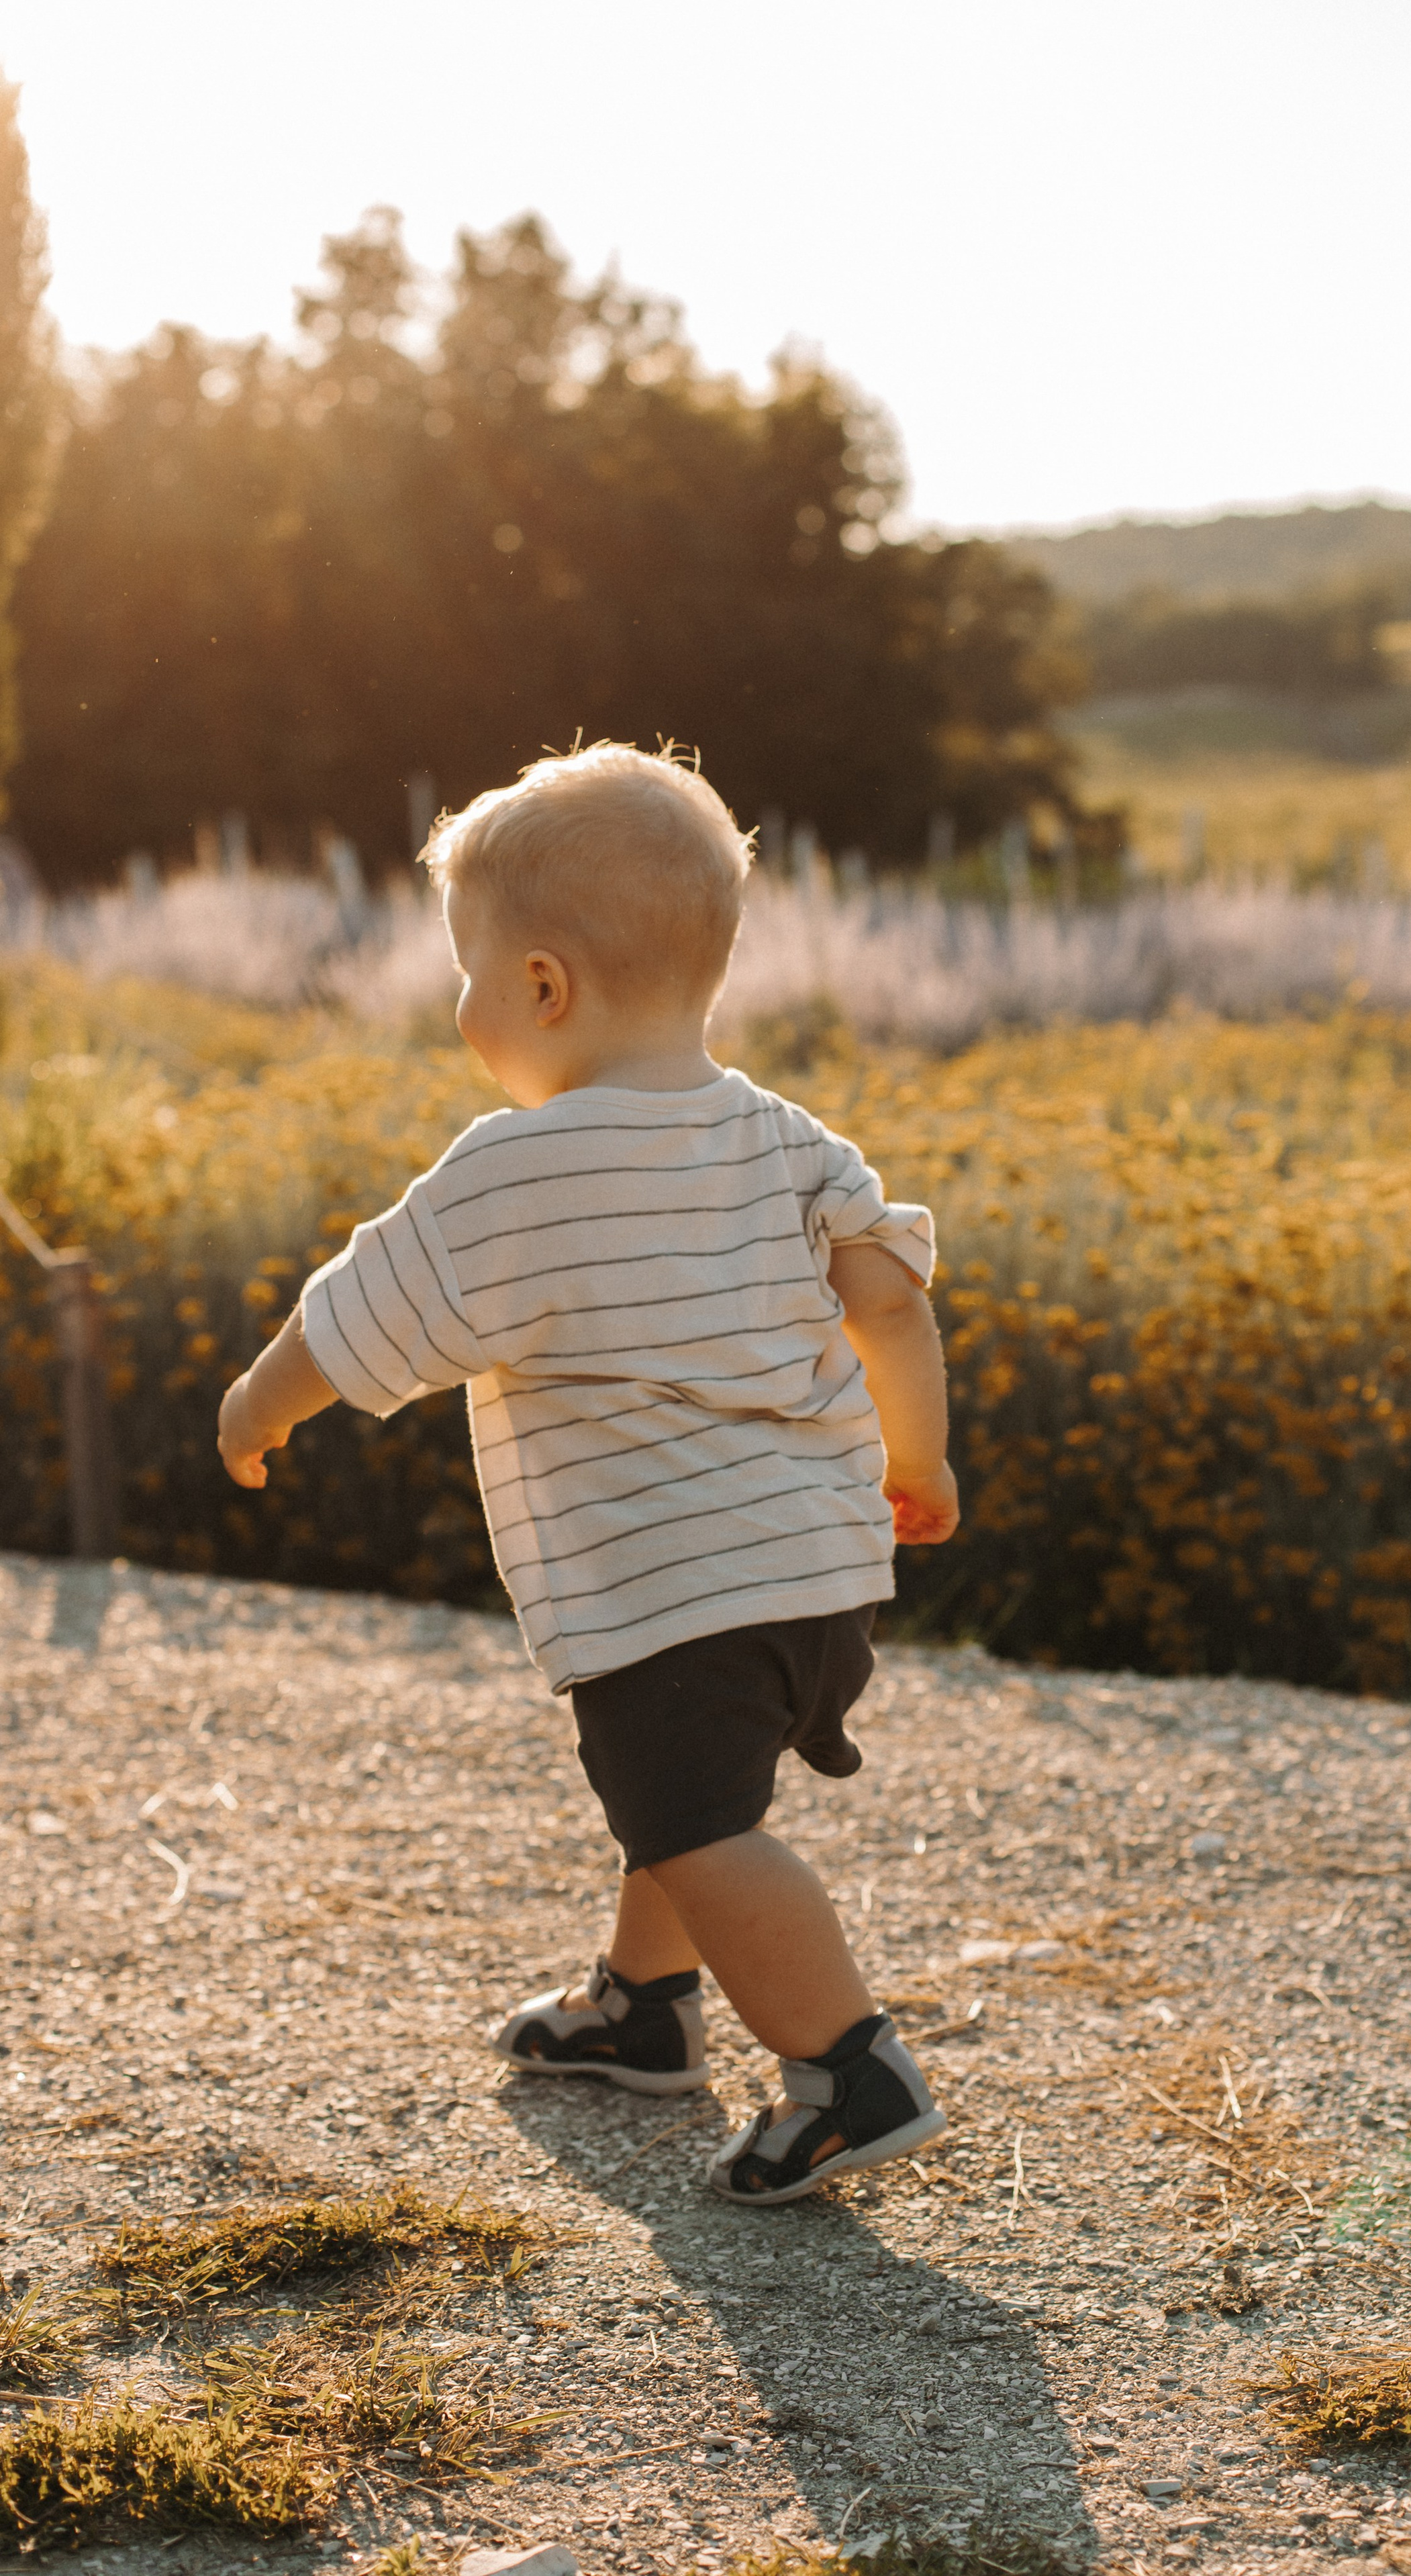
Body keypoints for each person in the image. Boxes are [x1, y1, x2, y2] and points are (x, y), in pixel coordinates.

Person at [216, 744, 960, 2205]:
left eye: (467, 973)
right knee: (672, 1799)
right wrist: (917, 1460)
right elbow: (889, 1300)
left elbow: (356, 1311)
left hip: (668, 1586)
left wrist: (257, 1404)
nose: (459, 1006)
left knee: (698, 1822)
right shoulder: (789, 1138)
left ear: (542, 987)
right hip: (818, 1572)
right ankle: (643, 2008)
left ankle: (845, 2067)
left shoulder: (518, 1170)